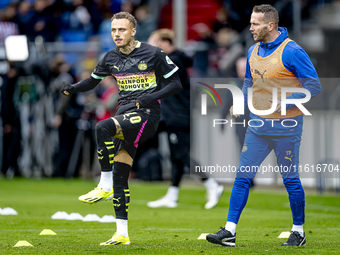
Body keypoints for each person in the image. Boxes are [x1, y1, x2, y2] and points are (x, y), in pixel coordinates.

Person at [60, 12, 182, 245]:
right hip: (124, 114)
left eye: (122, 30)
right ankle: (122, 234)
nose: (117, 34)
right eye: (114, 30)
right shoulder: (109, 57)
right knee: (121, 176)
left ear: (133, 31)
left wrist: (149, 98)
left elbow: (176, 84)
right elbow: (92, 81)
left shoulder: (154, 53)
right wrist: (72, 87)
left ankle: (103, 183)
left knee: (103, 127)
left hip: (147, 115)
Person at [206, 4, 321, 247]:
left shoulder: (292, 51)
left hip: (286, 128)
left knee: (290, 179)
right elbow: (249, 82)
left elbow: (314, 87)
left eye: (255, 24)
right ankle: (229, 231)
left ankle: (298, 232)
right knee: (242, 177)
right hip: (257, 128)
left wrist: (286, 101)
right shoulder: (252, 50)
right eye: (250, 23)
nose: (251, 28)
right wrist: (240, 102)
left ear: (270, 25)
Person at [146, 29, 224, 209]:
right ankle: (172, 195)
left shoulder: (173, 61)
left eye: (153, 43)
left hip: (178, 116)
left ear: (164, 42)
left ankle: (212, 184)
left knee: (182, 155)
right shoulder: (174, 59)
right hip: (173, 115)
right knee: (176, 157)